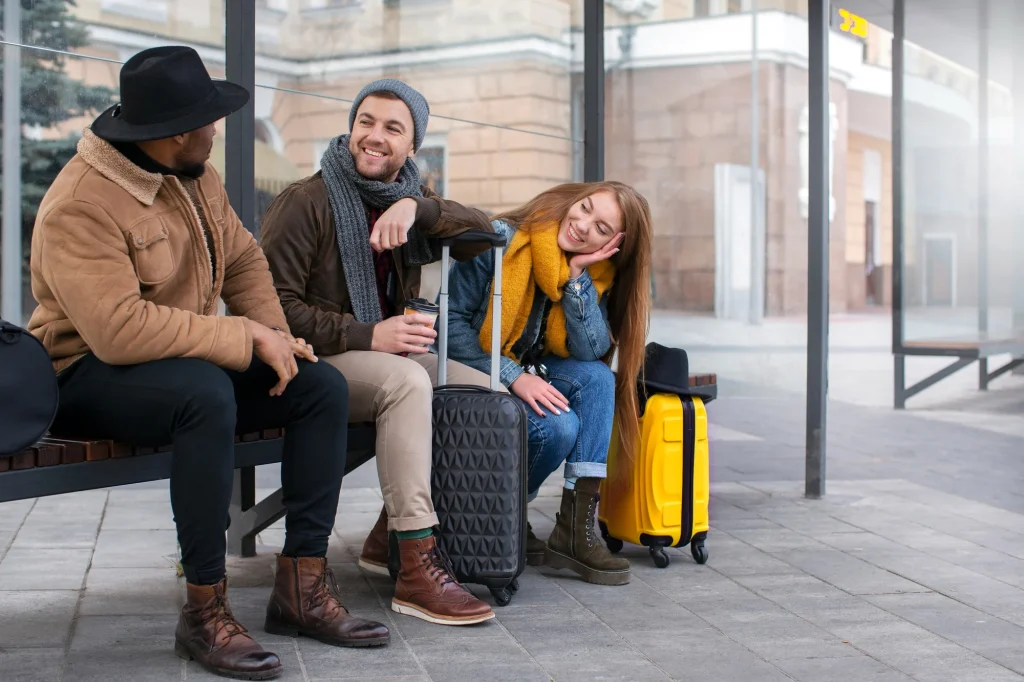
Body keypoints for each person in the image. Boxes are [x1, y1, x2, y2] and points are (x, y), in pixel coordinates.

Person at [26, 46, 389, 681]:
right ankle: (204, 608)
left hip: (182, 355)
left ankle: (302, 588)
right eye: (207, 120)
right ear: (172, 134)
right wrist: (245, 336)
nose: (217, 129)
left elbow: (246, 260)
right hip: (85, 372)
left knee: (319, 387)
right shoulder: (82, 202)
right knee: (204, 395)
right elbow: (116, 332)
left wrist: (277, 341)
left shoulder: (194, 175)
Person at [260, 79, 497, 626]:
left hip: (380, 352)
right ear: (350, 128)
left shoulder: (406, 199)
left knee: (487, 392)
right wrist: (372, 335)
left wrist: (418, 206)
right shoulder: (305, 202)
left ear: (412, 146)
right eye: (365, 121)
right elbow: (273, 312)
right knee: (406, 383)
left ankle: (391, 533)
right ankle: (417, 564)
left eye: (393, 128)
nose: (374, 136)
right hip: (311, 360)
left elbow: (486, 226)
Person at [444, 181, 653, 586]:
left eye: (602, 228)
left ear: (616, 244)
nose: (582, 225)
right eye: (586, 207)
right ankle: (508, 514)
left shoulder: (596, 273)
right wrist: (512, 375)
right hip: (471, 369)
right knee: (559, 426)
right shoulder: (503, 241)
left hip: (528, 375)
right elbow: (447, 323)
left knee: (596, 378)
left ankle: (575, 531)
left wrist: (576, 281)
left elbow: (589, 351)